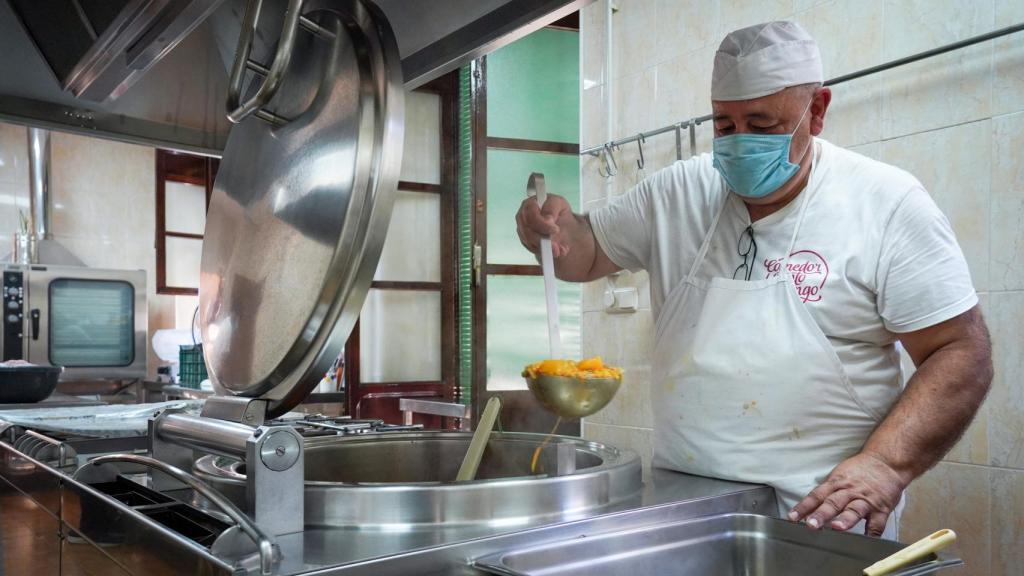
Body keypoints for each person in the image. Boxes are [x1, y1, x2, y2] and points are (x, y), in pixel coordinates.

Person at [515, 21, 992, 539]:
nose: (741, 143)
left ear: (817, 110)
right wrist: (552, 231)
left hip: (824, 516)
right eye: (725, 126)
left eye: (763, 126)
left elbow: (960, 351)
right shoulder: (678, 192)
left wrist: (886, 465)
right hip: (686, 507)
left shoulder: (886, 204)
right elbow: (582, 256)